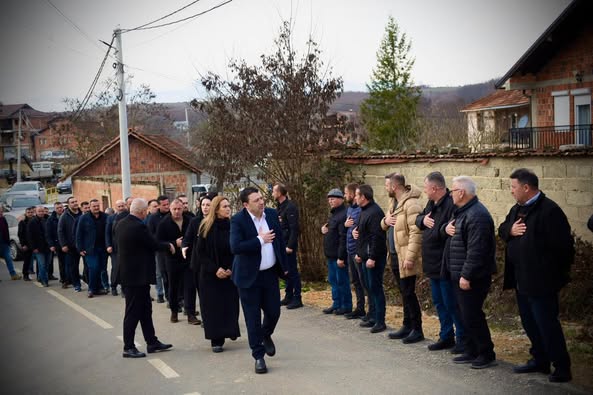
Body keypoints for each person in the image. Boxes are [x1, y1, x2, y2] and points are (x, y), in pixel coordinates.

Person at [499, 168, 574, 382]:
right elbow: (502, 229)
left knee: (547, 324)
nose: (511, 191)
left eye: (513, 187)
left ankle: (562, 367)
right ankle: (539, 360)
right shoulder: (517, 209)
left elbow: (565, 249)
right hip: (521, 279)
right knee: (529, 323)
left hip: (542, 282)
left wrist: (553, 276)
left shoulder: (549, 211)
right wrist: (510, 231)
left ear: (526, 187)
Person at [230, 187, 288, 374]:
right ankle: (259, 356)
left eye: (262, 198)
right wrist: (260, 240)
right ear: (246, 204)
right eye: (256, 200)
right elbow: (236, 247)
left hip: (269, 274)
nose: (261, 202)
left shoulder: (271, 214)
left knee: (274, 312)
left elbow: (279, 241)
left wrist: (284, 267)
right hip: (248, 278)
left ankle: (265, 334)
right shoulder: (238, 220)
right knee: (252, 318)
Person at [443, 176, 497, 369]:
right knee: (465, 315)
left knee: (473, 315)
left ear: (462, 192)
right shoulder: (462, 212)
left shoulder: (477, 215)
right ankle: (472, 349)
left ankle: (486, 353)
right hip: (459, 274)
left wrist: (466, 275)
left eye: (453, 190)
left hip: (473, 277)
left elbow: (477, 250)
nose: (450, 194)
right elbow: (450, 233)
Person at [117, 198, 174, 358]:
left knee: (145, 310)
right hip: (136, 277)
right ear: (142, 212)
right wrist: (169, 245)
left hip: (132, 276)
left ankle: (152, 341)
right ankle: (128, 347)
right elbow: (153, 244)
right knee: (133, 312)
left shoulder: (122, 223)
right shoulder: (138, 226)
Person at [416, 172, 464, 353]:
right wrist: (423, 220)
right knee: (439, 303)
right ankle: (446, 336)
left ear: (435, 188)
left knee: (451, 303)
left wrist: (436, 228)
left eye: (426, 188)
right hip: (431, 264)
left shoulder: (451, 205)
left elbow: (449, 231)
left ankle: (462, 338)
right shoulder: (431, 204)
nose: (425, 191)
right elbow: (418, 220)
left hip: (445, 263)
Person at [382, 173, 424, 344]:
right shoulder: (393, 203)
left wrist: (410, 256)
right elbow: (384, 223)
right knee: (403, 293)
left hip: (405, 256)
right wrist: (385, 221)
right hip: (394, 255)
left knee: (409, 293)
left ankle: (417, 328)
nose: (385, 188)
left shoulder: (411, 204)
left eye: (386, 185)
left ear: (394, 186)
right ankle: (407, 326)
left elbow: (416, 232)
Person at [195, 196, 240, 352]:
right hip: (210, 274)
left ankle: (230, 330)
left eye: (229, 206)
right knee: (213, 307)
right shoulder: (205, 227)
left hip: (230, 272)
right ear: (216, 209)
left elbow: (237, 249)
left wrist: (231, 268)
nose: (228, 208)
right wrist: (215, 269)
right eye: (224, 206)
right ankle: (216, 339)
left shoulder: (233, 226)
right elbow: (200, 253)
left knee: (229, 305)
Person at [157, 199, 199, 325]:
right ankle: (174, 311)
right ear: (170, 209)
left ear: (183, 208)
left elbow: (196, 237)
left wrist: (187, 243)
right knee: (173, 286)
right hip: (172, 259)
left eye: (179, 209)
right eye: (174, 209)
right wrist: (174, 243)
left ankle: (191, 314)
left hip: (188, 259)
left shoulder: (190, 220)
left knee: (190, 286)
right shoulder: (164, 223)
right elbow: (158, 242)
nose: (177, 211)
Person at [354, 185, 387, 333]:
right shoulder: (363, 211)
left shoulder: (375, 212)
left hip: (373, 259)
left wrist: (372, 257)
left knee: (376, 288)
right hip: (364, 256)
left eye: (357, 195)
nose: (355, 198)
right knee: (369, 287)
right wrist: (359, 253)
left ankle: (380, 320)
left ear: (363, 197)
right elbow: (362, 233)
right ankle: (372, 315)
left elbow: (377, 237)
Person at [321, 188, 351, 315]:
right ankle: (336, 303)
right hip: (330, 255)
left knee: (342, 281)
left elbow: (342, 237)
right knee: (333, 281)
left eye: (333, 198)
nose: (330, 201)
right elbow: (331, 229)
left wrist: (341, 257)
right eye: (329, 199)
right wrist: (324, 229)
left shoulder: (343, 214)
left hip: (338, 256)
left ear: (341, 199)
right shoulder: (334, 214)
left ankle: (346, 305)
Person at [273, 183, 303, 310]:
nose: (273, 193)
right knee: (286, 271)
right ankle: (288, 295)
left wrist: (290, 246)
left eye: (274, 191)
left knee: (292, 271)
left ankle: (297, 298)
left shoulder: (290, 207)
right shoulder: (280, 207)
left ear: (280, 193)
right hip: (282, 243)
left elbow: (294, 228)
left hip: (288, 245)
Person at [343, 183, 367, 320]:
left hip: (358, 251)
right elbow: (349, 228)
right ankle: (359, 308)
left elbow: (359, 231)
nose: (345, 195)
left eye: (346, 193)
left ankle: (368, 310)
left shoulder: (359, 211)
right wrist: (346, 226)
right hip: (350, 249)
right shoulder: (349, 210)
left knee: (363, 281)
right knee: (355, 281)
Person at [76, 199, 109, 298]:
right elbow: (79, 234)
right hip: (90, 249)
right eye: (94, 206)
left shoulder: (105, 217)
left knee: (101, 268)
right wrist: (80, 248)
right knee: (93, 268)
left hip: (103, 248)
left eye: (97, 206)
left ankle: (98, 288)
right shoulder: (84, 218)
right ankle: (91, 289)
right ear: (90, 207)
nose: (96, 208)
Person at [148, 195, 171, 304]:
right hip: (160, 250)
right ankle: (162, 294)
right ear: (159, 206)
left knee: (172, 274)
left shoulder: (172, 214)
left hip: (172, 249)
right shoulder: (153, 218)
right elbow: (151, 234)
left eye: (168, 204)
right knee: (162, 273)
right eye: (164, 205)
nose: (167, 206)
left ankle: (172, 297)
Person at [58, 196, 82, 292]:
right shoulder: (64, 216)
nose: (75, 203)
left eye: (76, 201)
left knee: (89, 266)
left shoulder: (82, 214)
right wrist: (63, 244)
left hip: (83, 245)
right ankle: (76, 284)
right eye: (72, 202)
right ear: (68, 205)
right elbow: (60, 231)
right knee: (73, 266)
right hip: (71, 246)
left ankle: (90, 283)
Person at [106, 200, 126, 296]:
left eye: (122, 206)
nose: (121, 208)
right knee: (115, 268)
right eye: (119, 206)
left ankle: (124, 288)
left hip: (125, 247)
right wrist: (108, 245)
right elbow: (107, 233)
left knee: (124, 268)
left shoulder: (128, 216)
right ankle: (113, 286)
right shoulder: (111, 218)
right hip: (114, 248)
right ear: (115, 207)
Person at [27, 206, 51, 286]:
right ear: (36, 212)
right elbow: (30, 236)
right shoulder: (32, 222)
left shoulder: (47, 219)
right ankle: (45, 281)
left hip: (48, 247)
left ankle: (40, 277)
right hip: (38, 248)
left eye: (42, 211)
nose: (41, 213)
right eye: (39, 211)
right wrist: (34, 248)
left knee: (47, 265)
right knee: (42, 264)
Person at [46, 201, 67, 287]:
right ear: (54, 209)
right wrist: (51, 245)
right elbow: (48, 234)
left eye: (61, 207)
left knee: (70, 263)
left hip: (68, 243)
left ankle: (71, 278)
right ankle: (64, 280)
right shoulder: (51, 219)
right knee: (62, 263)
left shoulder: (67, 216)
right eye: (57, 208)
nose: (59, 209)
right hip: (58, 244)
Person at [0, 206, 21, 280]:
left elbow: (6, 231)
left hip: (4, 243)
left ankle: (13, 275)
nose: (1, 212)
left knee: (8, 259)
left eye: (1, 210)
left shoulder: (3, 219)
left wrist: (7, 242)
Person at [18, 206, 35, 281]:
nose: (30, 214)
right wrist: (23, 245)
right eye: (28, 212)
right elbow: (20, 234)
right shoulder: (22, 222)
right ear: (26, 213)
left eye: (31, 212)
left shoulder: (35, 220)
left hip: (35, 244)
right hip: (27, 245)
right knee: (27, 261)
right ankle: (25, 275)